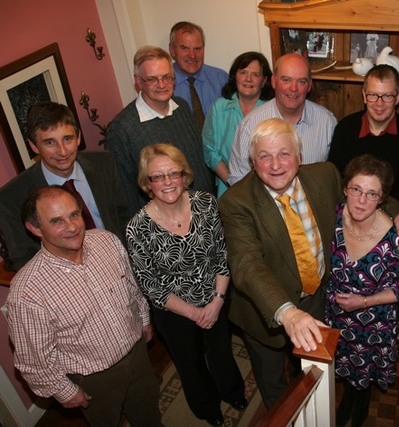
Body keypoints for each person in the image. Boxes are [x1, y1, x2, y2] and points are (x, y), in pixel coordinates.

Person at [218, 118, 399, 408]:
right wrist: (286, 312)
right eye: (265, 156)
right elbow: (246, 265)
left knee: (310, 375)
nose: (275, 165)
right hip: (265, 313)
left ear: (299, 156)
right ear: (251, 161)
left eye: (284, 153)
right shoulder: (237, 202)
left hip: (316, 301)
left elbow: (366, 196)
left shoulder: (325, 176)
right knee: (274, 384)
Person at [6, 186, 161, 427]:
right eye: (56, 221)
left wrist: (143, 319)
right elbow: (34, 359)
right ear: (35, 229)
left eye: (74, 214)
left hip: (137, 352)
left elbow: (131, 286)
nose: (72, 227)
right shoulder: (27, 292)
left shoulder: (106, 241)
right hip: (94, 378)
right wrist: (65, 391)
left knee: (149, 409)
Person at [126, 143, 246, 426]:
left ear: (184, 175)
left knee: (221, 352)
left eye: (173, 173)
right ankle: (207, 407)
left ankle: (232, 390)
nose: (167, 182)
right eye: (158, 176)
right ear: (147, 183)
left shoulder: (206, 203)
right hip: (175, 313)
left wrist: (216, 302)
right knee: (190, 364)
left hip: (215, 298)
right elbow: (151, 285)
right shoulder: (137, 228)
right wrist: (194, 313)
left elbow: (221, 255)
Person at [326, 154, 399, 427]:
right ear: (346, 189)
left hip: (373, 323)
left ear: (382, 198)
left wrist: (363, 301)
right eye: (356, 190)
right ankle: (349, 402)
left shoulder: (395, 238)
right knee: (343, 368)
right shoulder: (335, 217)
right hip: (335, 316)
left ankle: (358, 405)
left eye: (371, 193)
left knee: (361, 376)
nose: (361, 201)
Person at [0, 101, 130, 271]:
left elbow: (123, 218)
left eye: (67, 139)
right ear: (34, 146)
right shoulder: (12, 197)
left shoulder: (104, 163)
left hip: (118, 264)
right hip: (65, 282)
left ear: (78, 137)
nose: (62, 151)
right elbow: (24, 259)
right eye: (49, 143)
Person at [105, 45, 213, 212]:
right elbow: (124, 192)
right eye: (152, 79)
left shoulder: (182, 108)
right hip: (162, 225)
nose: (162, 84)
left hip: (203, 212)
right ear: (139, 81)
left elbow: (198, 163)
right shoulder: (121, 129)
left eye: (166, 77)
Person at [227, 53, 337, 184]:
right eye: (286, 80)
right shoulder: (251, 125)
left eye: (301, 81)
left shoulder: (327, 122)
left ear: (309, 86)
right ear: (274, 81)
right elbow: (238, 180)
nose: (293, 88)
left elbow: (333, 177)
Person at [328, 65, 399, 210]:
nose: (379, 103)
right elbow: (336, 181)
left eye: (387, 96)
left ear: (398, 98)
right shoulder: (345, 128)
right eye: (373, 95)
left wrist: (377, 214)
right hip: (350, 210)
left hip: (391, 213)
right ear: (364, 96)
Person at [203, 51, 274, 197]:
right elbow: (209, 150)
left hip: (267, 189)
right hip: (228, 188)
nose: (248, 79)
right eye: (243, 72)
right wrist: (232, 181)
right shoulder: (219, 108)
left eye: (255, 74)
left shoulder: (273, 111)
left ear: (264, 80)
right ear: (235, 76)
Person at [169, 21, 229, 122]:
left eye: (197, 49)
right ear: (172, 50)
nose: (192, 55)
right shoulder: (162, 85)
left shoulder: (221, 79)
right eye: (184, 48)